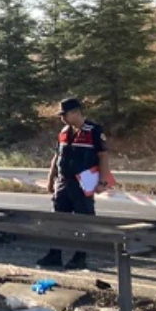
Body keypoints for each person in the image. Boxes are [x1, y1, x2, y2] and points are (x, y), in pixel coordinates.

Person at [37, 98, 114, 269]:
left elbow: (103, 157)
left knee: (83, 220)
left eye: (64, 114)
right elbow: (56, 157)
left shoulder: (94, 130)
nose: (62, 118)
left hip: (83, 183)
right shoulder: (64, 132)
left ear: (76, 112)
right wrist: (51, 179)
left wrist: (102, 181)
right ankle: (55, 254)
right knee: (57, 219)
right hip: (63, 182)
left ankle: (80, 256)